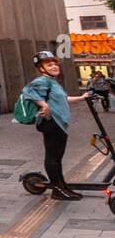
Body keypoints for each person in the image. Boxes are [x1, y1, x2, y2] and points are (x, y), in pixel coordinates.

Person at [23, 52, 88, 200]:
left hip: (59, 124)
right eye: (49, 64)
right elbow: (27, 91)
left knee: (57, 157)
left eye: (54, 63)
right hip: (51, 123)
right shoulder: (42, 81)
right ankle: (57, 190)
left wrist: (82, 98)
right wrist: (43, 104)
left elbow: (64, 99)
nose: (54, 66)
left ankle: (62, 186)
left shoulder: (53, 82)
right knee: (53, 157)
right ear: (41, 69)